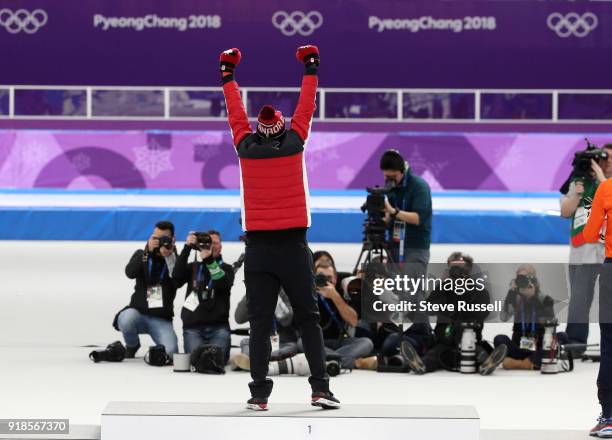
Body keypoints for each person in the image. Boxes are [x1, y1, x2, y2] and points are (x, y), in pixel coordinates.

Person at [220, 45, 339, 410]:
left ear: (257, 129)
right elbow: (308, 103)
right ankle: (320, 389)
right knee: (308, 319)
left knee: (259, 325)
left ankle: (258, 395)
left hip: (257, 250)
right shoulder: (296, 140)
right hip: (293, 247)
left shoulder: (244, 145)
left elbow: (234, 109)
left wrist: (228, 72)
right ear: (284, 125)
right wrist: (310, 65)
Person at [400, 252, 507, 375]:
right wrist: (443, 288)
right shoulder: (443, 288)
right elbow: (428, 308)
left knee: (479, 352)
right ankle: (420, 365)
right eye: (452, 268)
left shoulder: (479, 291)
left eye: (460, 267)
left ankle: (486, 363)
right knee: (433, 355)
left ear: (468, 270)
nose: (456, 271)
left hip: (470, 341)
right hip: (445, 341)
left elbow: (482, 313)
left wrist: (465, 290)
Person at [560, 143, 612, 350]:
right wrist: (577, 194)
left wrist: (602, 178)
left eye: (610, 159)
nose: (607, 162)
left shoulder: (608, 184)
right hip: (584, 252)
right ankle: (575, 341)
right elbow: (565, 212)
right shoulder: (579, 180)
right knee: (579, 298)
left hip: (608, 253)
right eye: (604, 157)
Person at [112, 221, 181, 358]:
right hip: (139, 312)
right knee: (125, 319)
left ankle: (156, 350)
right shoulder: (142, 254)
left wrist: (168, 257)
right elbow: (129, 273)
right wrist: (147, 251)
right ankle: (132, 345)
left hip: (161, 318)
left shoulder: (177, 261)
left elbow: (177, 282)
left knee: (171, 352)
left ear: (172, 239)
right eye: (156, 237)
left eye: (163, 238)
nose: (159, 241)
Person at [172, 230, 234, 363]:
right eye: (208, 242)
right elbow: (176, 278)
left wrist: (209, 260)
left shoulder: (227, 269)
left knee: (217, 361)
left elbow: (221, 283)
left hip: (219, 328)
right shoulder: (194, 267)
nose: (211, 246)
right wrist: (187, 247)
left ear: (221, 246)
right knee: (195, 361)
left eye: (215, 242)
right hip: (193, 328)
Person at [583, 177, 612, 437]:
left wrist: (602, 225)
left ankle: (610, 416)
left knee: (610, 345)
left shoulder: (607, 187)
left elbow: (589, 235)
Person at [309, 263, 374, 370]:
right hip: (318, 342)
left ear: (335, 278)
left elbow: (353, 321)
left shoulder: (344, 289)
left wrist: (335, 297)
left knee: (367, 343)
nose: (325, 281)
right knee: (301, 342)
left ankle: (329, 360)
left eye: (329, 278)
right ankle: (346, 361)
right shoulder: (309, 292)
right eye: (321, 278)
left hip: (341, 341)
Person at [494, 265, 558, 370]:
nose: (522, 281)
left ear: (533, 280)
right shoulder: (515, 297)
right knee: (499, 339)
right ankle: (529, 363)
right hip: (519, 347)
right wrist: (511, 293)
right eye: (519, 278)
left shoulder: (545, 299)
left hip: (539, 346)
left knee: (559, 339)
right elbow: (504, 317)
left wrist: (533, 298)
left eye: (524, 278)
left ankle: (517, 363)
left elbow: (549, 324)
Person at [381, 149, 432, 265]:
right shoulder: (390, 186)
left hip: (415, 246)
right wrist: (384, 217)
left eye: (393, 176)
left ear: (402, 171)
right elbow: (389, 218)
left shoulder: (419, 186)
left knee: (410, 283)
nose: (390, 180)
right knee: (392, 283)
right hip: (394, 244)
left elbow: (418, 218)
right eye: (386, 176)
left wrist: (393, 211)